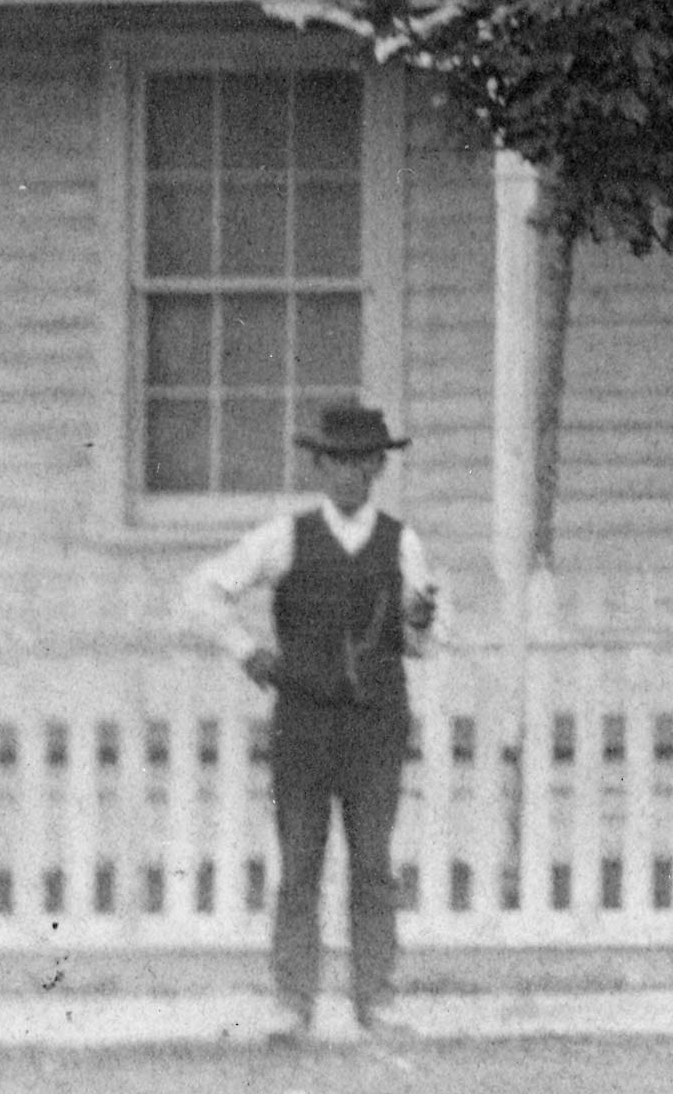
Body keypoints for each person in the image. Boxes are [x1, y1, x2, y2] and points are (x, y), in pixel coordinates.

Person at [176, 396, 444, 1043]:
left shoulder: (400, 541)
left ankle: (375, 999)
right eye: (336, 462)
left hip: (375, 723)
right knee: (299, 863)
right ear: (318, 467)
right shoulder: (285, 537)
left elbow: (421, 643)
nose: (349, 475)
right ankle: (293, 1004)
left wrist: (419, 621)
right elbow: (203, 591)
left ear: (379, 466)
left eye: (362, 463)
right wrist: (249, 653)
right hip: (304, 722)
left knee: (374, 863)